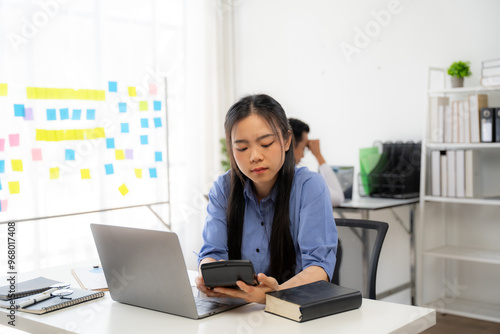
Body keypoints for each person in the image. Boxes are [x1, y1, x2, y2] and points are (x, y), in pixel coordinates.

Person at [195, 94, 337, 304]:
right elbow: (212, 252)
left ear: (287, 140)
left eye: (266, 143)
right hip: (236, 313)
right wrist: (207, 274)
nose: (254, 156)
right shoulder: (223, 189)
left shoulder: (309, 187)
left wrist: (273, 295)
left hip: (292, 311)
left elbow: (319, 268)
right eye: (242, 148)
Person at [288, 118, 345, 207]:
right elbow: (338, 198)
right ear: (289, 144)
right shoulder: (303, 181)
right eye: (303, 148)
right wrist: (318, 155)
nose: (303, 156)